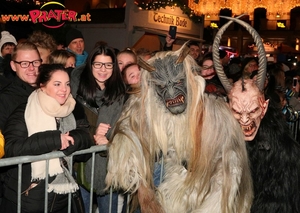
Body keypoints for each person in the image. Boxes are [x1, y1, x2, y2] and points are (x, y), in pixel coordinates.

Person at [0, 64, 93, 212]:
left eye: (67, 84)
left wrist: (73, 139)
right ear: (42, 86)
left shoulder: (71, 109)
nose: (64, 89)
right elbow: (12, 148)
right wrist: (55, 140)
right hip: (30, 196)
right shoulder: (24, 111)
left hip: (63, 194)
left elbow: (86, 141)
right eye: (57, 84)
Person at [71, 45, 126, 213]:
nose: (103, 69)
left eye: (108, 65)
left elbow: (126, 128)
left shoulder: (121, 94)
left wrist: (109, 142)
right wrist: (94, 134)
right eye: (98, 64)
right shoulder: (75, 91)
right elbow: (69, 124)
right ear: (90, 65)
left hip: (110, 168)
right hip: (81, 165)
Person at [0, 41, 41, 130]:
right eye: (24, 63)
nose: (31, 68)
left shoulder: (50, 90)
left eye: (35, 62)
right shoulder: (5, 99)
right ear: (13, 66)